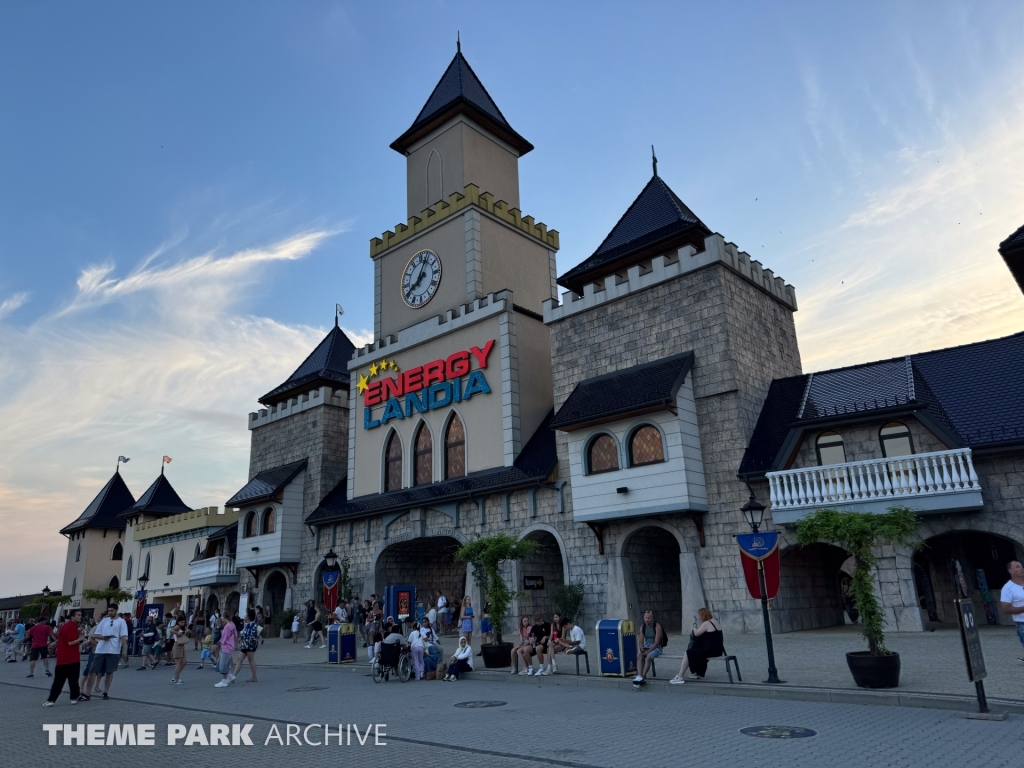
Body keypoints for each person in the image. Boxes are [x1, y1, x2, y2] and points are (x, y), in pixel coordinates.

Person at [80, 603, 128, 701]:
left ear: (116, 610)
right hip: (101, 649)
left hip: (113, 650)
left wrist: (125, 650)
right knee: (93, 671)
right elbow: (96, 634)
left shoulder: (121, 622)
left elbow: (123, 637)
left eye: (112, 611)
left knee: (109, 672)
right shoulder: (104, 621)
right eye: (109, 611)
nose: (110, 612)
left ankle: (105, 692)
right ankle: (87, 693)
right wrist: (103, 637)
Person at [671, 607, 724, 684]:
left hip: (710, 651)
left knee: (688, 653)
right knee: (696, 652)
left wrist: (694, 627)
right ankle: (696, 672)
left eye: (700, 615)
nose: (699, 617)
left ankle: (680, 676)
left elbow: (696, 633)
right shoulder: (715, 622)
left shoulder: (706, 623)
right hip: (718, 650)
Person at [43, 609, 84, 706]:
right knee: (72, 680)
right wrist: (80, 639)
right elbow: (70, 642)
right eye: (78, 615)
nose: (80, 617)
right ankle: (73, 698)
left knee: (59, 681)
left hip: (62, 658)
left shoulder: (66, 626)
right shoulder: (71, 626)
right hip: (71, 657)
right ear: (72, 617)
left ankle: (52, 700)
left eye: (80, 615)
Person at [1000, 560, 1024, 662]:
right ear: (1011, 571)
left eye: (1021, 566)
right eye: (1018, 567)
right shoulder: (1008, 588)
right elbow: (1005, 609)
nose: (1022, 568)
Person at [633, 610, 665, 684]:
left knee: (648, 657)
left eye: (649, 618)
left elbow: (656, 643)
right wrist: (642, 648)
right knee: (639, 656)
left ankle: (643, 676)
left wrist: (648, 652)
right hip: (647, 646)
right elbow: (641, 641)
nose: (647, 620)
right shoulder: (642, 627)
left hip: (657, 647)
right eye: (646, 618)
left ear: (652, 618)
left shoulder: (657, 626)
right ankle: (639, 675)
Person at [233, 609, 259, 683]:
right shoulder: (247, 625)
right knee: (239, 659)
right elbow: (245, 633)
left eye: (246, 615)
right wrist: (241, 638)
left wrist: (252, 645)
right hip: (245, 645)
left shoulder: (253, 625)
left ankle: (254, 677)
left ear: (248, 616)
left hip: (249, 646)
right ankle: (233, 676)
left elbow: (253, 636)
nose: (244, 616)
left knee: (251, 660)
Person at [214, 617, 237, 688]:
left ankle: (224, 681)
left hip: (226, 646)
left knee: (223, 665)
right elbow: (235, 635)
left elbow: (224, 636)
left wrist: (221, 642)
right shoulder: (232, 624)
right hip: (229, 645)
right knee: (221, 663)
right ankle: (230, 676)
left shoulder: (227, 626)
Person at [170, 610, 190, 684]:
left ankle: (176, 676)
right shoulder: (177, 626)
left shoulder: (183, 627)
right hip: (177, 645)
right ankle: (176, 678)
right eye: (181, 622)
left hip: (181, 646)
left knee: (184, 662)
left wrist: (187, 631)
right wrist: (177, 633)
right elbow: (171, 630)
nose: (183, 623)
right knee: (179, 662)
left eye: (184, 622)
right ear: (178, 622)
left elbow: (189, 630)